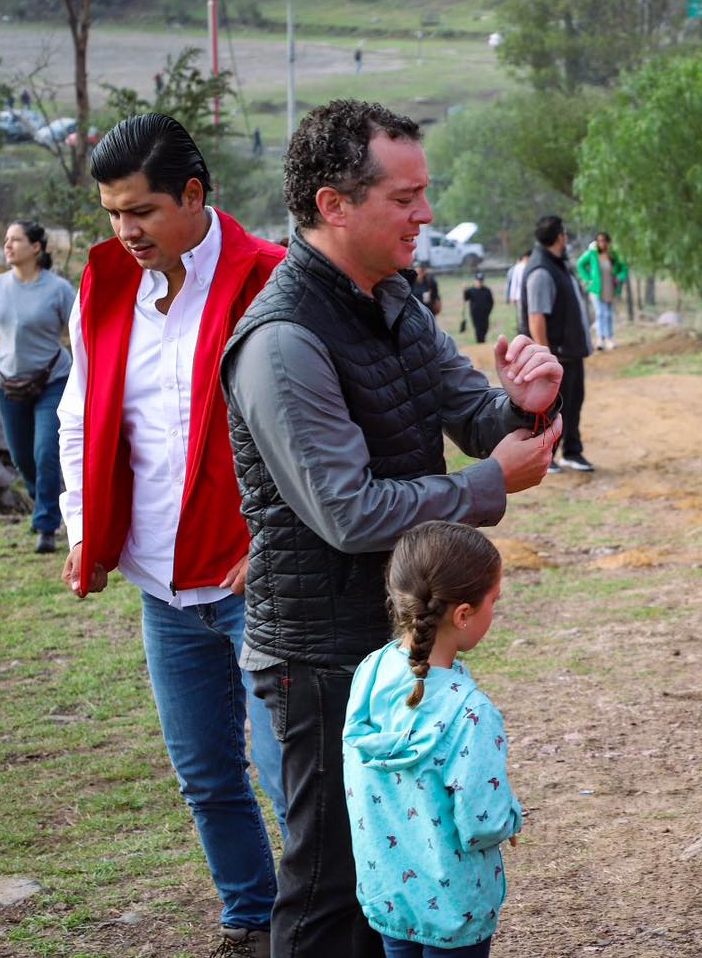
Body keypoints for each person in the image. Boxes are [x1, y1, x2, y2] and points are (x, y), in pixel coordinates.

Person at [221, 99, 560, 958]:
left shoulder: (393, 296)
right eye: (405, 198)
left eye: (425, 192)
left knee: (405, 870)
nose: (427, 214)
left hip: (393, 640)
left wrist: (522, 401)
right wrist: (490, 482)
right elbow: (349, 511)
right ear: (335, 205)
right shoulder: (283, 339)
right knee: (333, 884)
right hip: (320, 652)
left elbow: (466, 407)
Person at [56, 113, 288, 958]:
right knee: (205, 775)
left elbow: (327, 426)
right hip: (162, 579)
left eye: (142, 211)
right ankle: (250, 918)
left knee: (289, 773)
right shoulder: (106, 281)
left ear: (195, 195)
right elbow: (81, 413)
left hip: (257, 578)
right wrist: (84, 523)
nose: (125, 232)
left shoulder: (271, 277)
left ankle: (320, 925)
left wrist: (279, 541)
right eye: (113, 214)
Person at [344, 522, 522, 958]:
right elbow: (483, 820)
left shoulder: (371, 672)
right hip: (455, 905)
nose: (495, 610)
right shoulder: (470, 712)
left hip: (389, 893)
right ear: (463, 614)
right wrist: (512, 818)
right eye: (493, 601)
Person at [0, 220, 75, 553]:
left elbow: (80, 333)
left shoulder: (59, 289)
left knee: (45, 452)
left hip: (52, 380)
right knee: (23, 458)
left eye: (16, 240)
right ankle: (46, 507)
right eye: (6, 240)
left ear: (36, 247)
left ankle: (47, 527)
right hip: (9, 384)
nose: (8, 245)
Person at [519, 215, 593, 474]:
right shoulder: (541, 270)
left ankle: (572, 452)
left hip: (570, 354)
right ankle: (545, 458)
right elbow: (536, 318)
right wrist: (546, 359)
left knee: (574, 403)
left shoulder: (558, 264)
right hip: (557, 357)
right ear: (560, 236)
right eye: (565, 234)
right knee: (552, 410)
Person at [575, 230, 628, 350]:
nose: (601, 243)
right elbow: (580, 264)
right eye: (599, 241)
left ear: (608, 242)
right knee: (600, 313)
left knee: (608, 314)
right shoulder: (592, 254)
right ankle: (600, 339)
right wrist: (587, 279)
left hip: (610, 287)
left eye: (604, 241)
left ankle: (609, 338)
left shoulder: (613, 255)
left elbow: (623, 268)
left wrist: (619, 278)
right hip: (596, 288)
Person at [462, 271, 494, 343]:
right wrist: (464, 290)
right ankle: (480, 342)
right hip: (475, 314)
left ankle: (482, 341)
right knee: (478, 329)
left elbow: (491, 302)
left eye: (481, 280)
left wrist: (488, 310)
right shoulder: (471, 290)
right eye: (478, 280)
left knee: (484, 329)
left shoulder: (487, 290)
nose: (480, 282)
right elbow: (465, 298)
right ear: (475, 281)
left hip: (485, 314)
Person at [505, 250, 529, 315]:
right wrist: (511, 296)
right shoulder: (516, 268)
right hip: (519, 296)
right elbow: (512, 284)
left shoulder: (529, 266)